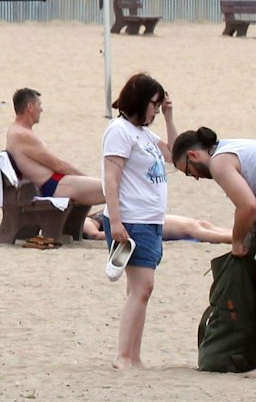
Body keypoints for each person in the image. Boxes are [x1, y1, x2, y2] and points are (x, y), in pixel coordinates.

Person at [102, 72, 174, 369]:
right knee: (142, 287)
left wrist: (170, 117)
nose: (156, 110)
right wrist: (116, 222)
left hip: (151, 220)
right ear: (141, 101)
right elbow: (111, 176)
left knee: (139, 289)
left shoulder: (143, 133)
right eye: (155, 105)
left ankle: (133, 355)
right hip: (132, 219)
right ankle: (124, 357)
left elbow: (172, 154)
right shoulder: (119, 130)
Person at [6, 88, 105, 205]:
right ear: (30, 107)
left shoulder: (16, 131)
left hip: (53, 183)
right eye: (39, 105)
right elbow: (58, 165)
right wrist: (84, 178)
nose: (41, 109)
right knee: (115, 190)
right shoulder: (22, 135)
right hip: (53, 186)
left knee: (115, 191)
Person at [171, 127, 256, 256]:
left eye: (189, 172)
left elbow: (248, 206)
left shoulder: (218, 162)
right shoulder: (231, 147)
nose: (196, 178)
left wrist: (237, 242)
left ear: (192, 155)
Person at [85, 211, 230, 244]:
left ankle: (236, 234)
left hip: (146, 219)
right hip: (143, 225)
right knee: (194, 229)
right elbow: (95, 235)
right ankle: (232, 238)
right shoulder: (88, 220)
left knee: (201, 224)